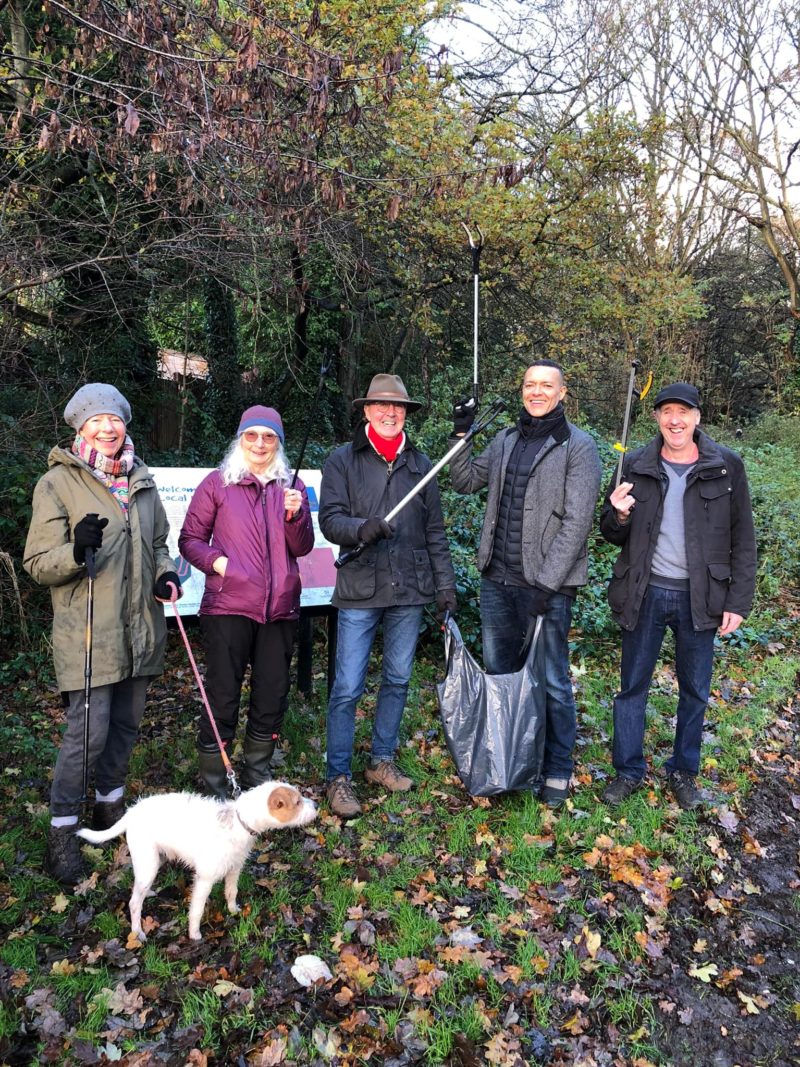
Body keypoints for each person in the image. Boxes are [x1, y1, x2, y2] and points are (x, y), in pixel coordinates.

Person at [24, 383, 180, 885]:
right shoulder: (57, 483)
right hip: (89, 633)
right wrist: (75, 550)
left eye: (114, 420)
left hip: (140, 630)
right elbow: (37, 562)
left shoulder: (143, 480)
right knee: (85, 737)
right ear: (80, 428)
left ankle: (109, 808)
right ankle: (62, 835)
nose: (108, 428)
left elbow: (158, 543)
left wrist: (166, 572)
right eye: (97, 422)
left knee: (126, 726)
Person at [450, 360, 602, 807]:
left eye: (546, 385)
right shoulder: (504, 439)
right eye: (530, 385)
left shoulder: (579, 446)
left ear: (562, 392)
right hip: (497, 579)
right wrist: (462, 434)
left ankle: (555, 768)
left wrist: (547, 585)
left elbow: (577, 522)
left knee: (551, 678)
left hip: (546, 587)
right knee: (501, 677)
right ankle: (508, 764)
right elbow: (463, 480)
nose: (537, 392)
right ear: (522, 391)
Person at [599, 382, 757, 809]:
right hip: (644, 592)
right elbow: (611, 533)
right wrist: (616, 513)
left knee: (695, 690)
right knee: (632, 687)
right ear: (656, 418)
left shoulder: (726, 466)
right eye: (667, 411)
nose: (675, 420)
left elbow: (743, 539)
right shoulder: (635, 464)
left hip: (700, 598)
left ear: (697, 417)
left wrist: (738, 601)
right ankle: (628, 771)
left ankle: (683, 772)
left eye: (683, 412)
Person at [319, 374, 457, 817]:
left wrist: (445, 585)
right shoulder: (342, 460)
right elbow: (330, 521)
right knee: (347, 687)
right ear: (366, 411)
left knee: (397, 679)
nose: (390, 412)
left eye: (397, 407)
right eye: (381, 405)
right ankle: (337, 777)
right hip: (360, 587)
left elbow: (435, 532)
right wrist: (362, 529)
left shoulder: (422, 465)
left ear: (406, 413)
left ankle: (382, 760)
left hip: (410, 589)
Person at [178, 405, 314, 797]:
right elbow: (190, 540)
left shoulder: (292, 486)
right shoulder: (218, 484)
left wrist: (295, 516)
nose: (260, 443)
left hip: (280, 610)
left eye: (269, 436)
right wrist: (219, 563)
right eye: (252, 435)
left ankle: (256, 779)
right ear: (240, 440)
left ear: (278, 443)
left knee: (272, 693)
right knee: (222, 694)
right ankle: (216, 785)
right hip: (228, 607)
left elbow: (301, 547)